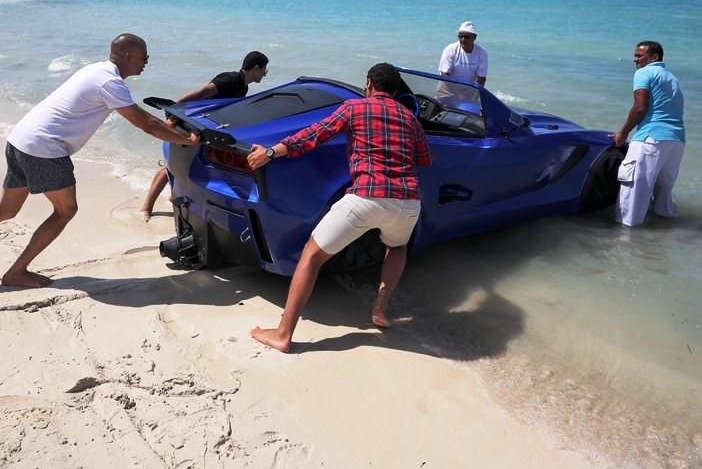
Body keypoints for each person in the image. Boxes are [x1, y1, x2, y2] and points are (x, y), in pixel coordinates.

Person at [0, 33, 199, 300]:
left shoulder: (95, 70)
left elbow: (145, 120)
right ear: (128, 56)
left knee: (4, 210)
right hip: (44, 149)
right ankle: (15, 272)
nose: (147, 63)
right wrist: (187, 139)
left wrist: (172, 130)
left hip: (21, 139)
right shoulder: (110, 82)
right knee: (65, 211)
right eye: (144, 57)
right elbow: (145, 124)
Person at [246, 63, 432, 353]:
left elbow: (313, 136)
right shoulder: (410, 118)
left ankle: (283, 334)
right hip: (408, 201)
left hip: (366, 196)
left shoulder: (354, 107)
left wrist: (270, 152)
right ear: (395, 92)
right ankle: (381, 312)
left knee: (311, 255)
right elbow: (424, 159)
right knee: (396, 248)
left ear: (368, 84)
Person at [138, 51, 269, 220]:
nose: (264, 75)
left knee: (189, 165)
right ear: (256, 68)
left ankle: (175, 196)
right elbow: (201, 93)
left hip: (203, 130)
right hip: (187, 124)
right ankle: (146, 207)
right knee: (171, 165)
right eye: (264, 71)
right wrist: (174, 112)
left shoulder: (243, 87)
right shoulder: (229, 79)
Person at [612, 40, 686, 227]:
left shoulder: (644, 73)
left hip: (650, 139)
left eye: (639, 56)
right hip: (676, 141)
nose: (635, 60)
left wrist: (623, 132)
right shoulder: (672, 78)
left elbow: (640, 107)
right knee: (664, 200)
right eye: (635, 55)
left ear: (654, 57)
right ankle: (665, 238)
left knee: (632, 197)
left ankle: (626, 244)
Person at [439, 20, 487, 85]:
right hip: (448, 88)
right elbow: (445, 76)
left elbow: (481, 79)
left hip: (469, 90)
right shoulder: (449, 49)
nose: (463, 39)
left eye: (467, 37)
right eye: (461, 36)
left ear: (474, 37)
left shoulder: (482, 53)